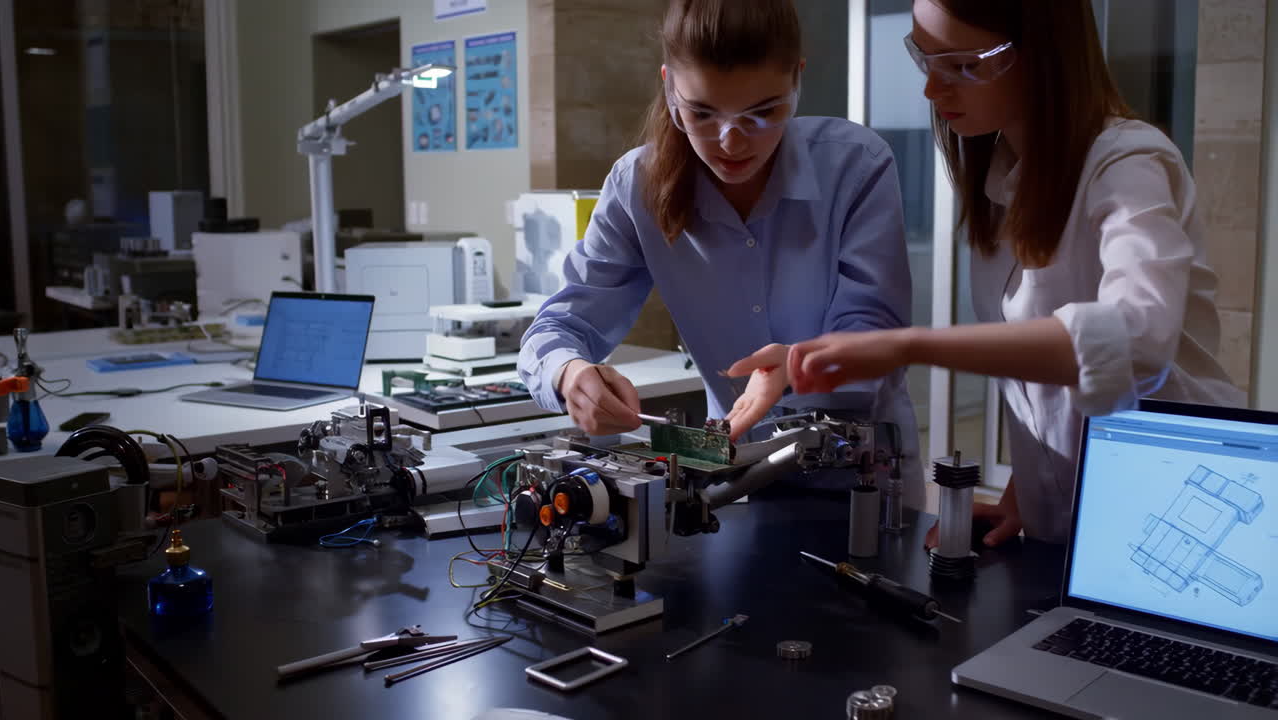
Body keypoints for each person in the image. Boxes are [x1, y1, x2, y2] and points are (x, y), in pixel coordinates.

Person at [763, 0, 1244, 546]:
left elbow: (1135, 343)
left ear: (1045, 55)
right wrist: (1033, 485)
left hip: (1181, 501)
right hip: (1075, 518)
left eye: (964, 65)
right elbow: (1054, 392)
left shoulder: (1128, 162)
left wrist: (909, 346)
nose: (932, 90)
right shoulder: (1001, 183)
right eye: (926, 59)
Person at [518, 0, 925, 504]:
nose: (731, 142)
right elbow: (557, 328)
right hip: (731, 481)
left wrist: (798, 365)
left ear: (797, 81)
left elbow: (874, 332)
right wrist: (569, 373)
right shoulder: (635, 186)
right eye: (703, 113)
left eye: (763, 112)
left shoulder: (855, 166)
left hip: (862, 479)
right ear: (670, 87)